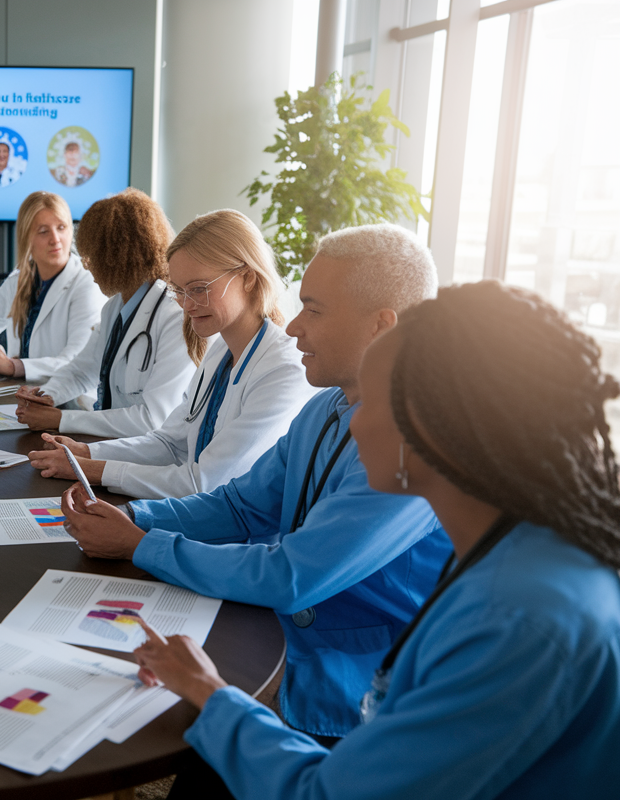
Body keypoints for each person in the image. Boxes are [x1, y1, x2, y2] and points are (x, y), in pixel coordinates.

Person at [134, 281, 620, 799]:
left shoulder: (516, 619)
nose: (353, 418)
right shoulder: (521, 549)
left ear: (435, 427)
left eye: (371, 399)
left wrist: (211, 693)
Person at [59, 223, 453, 740]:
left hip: (352, 687)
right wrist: (136, 517)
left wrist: (142, 545)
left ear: (381, 326)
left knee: (125, 698)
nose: (293, 329)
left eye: (313, 310)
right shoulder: (325, 409)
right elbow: (241, 507)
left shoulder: (415, 446)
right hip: (278, 629)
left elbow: (292, 576)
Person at [29, 209, 315, 499]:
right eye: (179, 290)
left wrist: (92, 469)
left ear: (248, 278)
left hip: (237, 535)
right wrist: (86, 451)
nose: (187, 305)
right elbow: (170, 443)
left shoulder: (283, 369)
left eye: (199, 289)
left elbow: (202, 482)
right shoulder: (221, 352)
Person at [14, 188, 196, 438]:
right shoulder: (115, 308)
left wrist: (61, 419)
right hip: (109, 445)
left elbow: (154, 419)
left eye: (94, 255)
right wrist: (46, 396)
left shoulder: (175, 316)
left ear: (120, 256)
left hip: (151, 458)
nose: (87, 265)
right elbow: (81, 370)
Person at [0, 191, 105, 379]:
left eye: (61, 227)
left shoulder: (87, 283)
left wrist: (13, 366)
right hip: (22, 394)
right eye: (44, 231)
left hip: (71, 400)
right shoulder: (18, 280)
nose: (55, 239)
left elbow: (76, 362)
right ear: (26, 237)